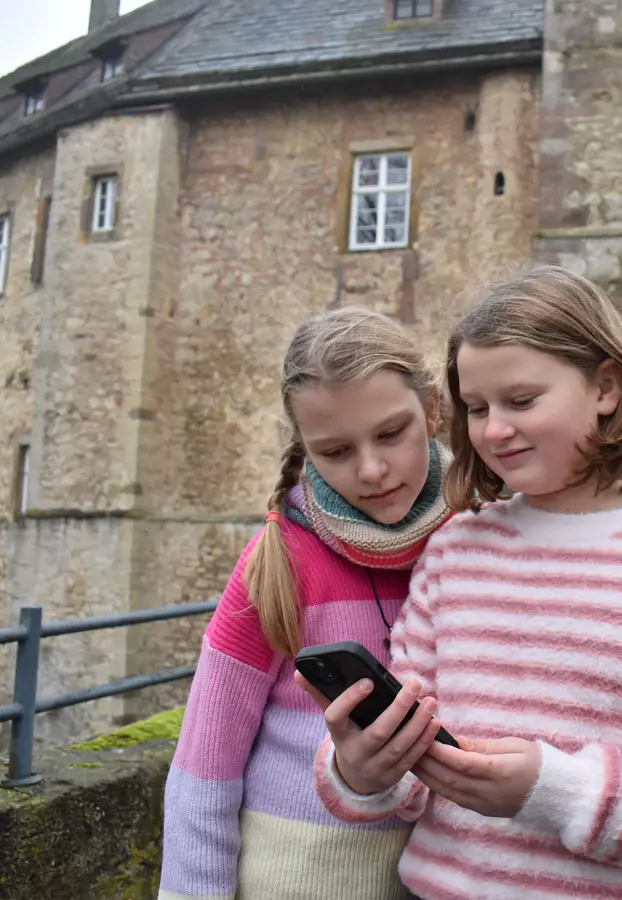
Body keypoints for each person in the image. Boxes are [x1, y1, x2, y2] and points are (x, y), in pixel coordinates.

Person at [298, 265, 622, 899]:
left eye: (522, 401)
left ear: (606, 388)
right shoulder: (455, 551)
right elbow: (408, 763)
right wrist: (361, 768)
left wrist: (560, 792)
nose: (493, 430)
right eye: (477, 408)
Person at [159, 307, 453, 900]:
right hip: (294, 880)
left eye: (392, 433)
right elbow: (203, 767)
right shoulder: (276, 564)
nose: (372, 469)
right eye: (335, 451)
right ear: (304, 448)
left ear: (433, 408)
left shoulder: (482, 540)